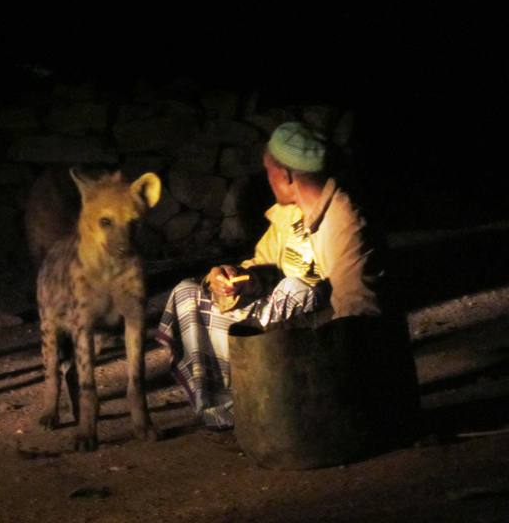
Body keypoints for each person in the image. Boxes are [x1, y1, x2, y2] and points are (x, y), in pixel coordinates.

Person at [155, 121, 384, 428]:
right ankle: (225, 412)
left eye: (269, 170)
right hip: (282, 323)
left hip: (312, 343)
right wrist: (236, 278)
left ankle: (276, 405)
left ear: (286, 175)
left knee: (296, 288)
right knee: (189, 292)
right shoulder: (291, 213)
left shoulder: (343, 220)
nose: (268, 179)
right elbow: (265, 264)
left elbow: (358, 314)